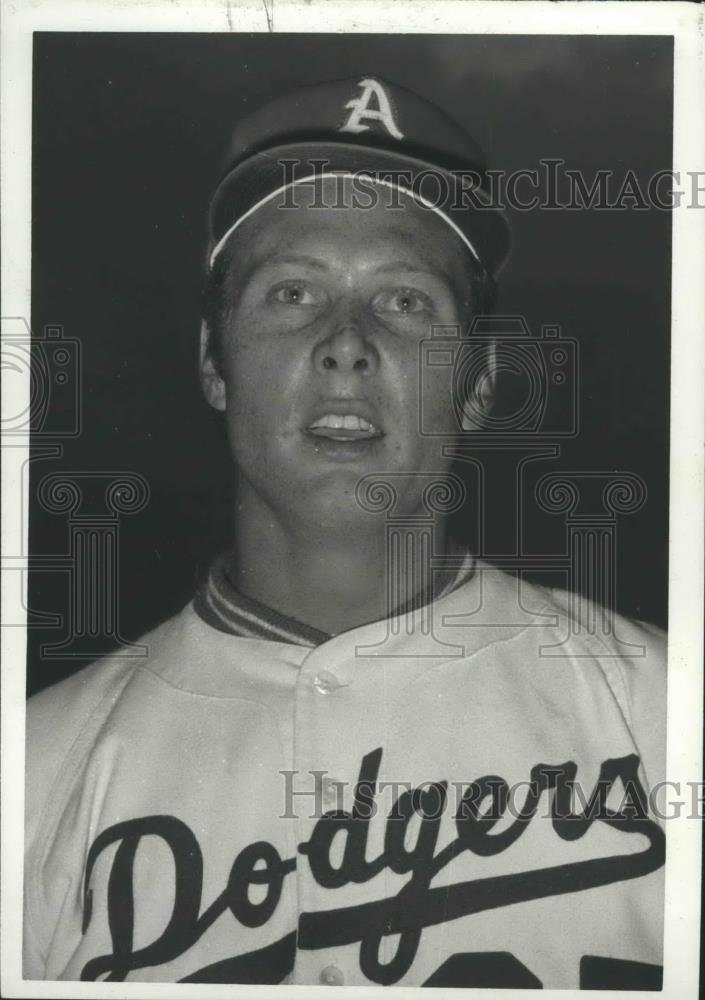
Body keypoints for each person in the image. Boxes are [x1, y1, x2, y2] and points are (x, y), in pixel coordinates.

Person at [24, 75, 666, 989]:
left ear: (477, 384)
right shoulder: (39, 770)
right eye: (292, 292)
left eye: (405, 300)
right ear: (213, 363)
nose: (346, 342)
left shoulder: (661, 713)